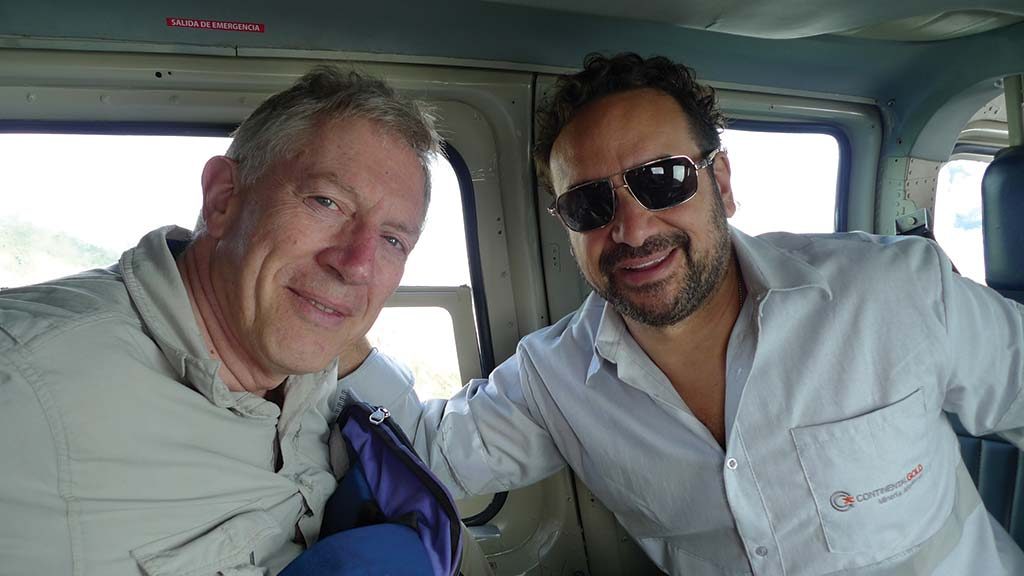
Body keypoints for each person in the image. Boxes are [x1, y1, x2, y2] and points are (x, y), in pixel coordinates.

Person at [340, 53, 1024, 575]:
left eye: (661, 180)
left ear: (719, 181)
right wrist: (333, 313)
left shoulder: (891, 292)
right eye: (590, 205)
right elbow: (425, 457)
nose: (633, 230)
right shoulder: (554, 381)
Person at [0, 66, 489, 575]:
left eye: (392, 240)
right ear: (223, 199)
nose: (357, 264)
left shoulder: (313, 373)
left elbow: (415, 457)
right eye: (326, 202)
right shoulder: (24, 390)